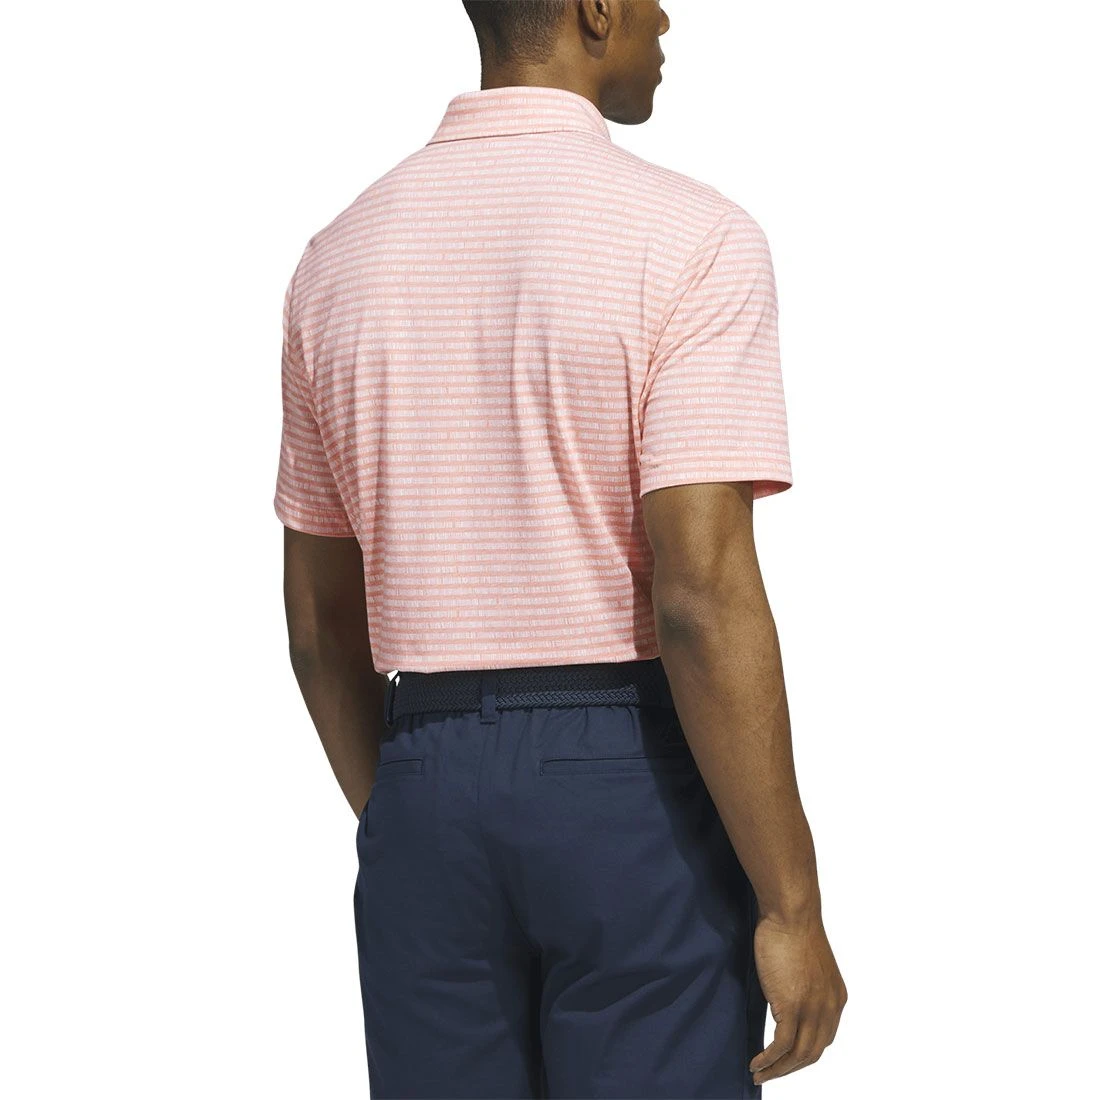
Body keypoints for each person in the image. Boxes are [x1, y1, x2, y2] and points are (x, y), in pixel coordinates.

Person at [274, 1, 846, 1095]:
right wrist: (790, 903)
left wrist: (411, 811)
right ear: (594, 9)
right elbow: (699, 593)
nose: (666, 17)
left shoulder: (335, 259)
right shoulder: (691, 239)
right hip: (625, 781)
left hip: (421, 772)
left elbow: (317, 625)